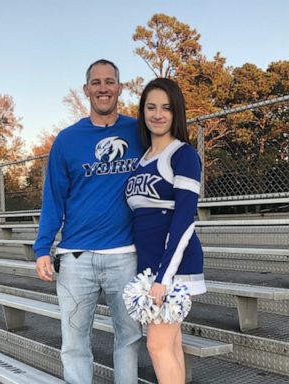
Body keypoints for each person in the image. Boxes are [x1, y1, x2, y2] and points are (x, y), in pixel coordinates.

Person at [34, 59, 144, 384]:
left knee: (129, 338)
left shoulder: (140, 132)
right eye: (96, 83)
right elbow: (53, 198)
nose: (103, 88)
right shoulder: (67, 140)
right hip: (75, 259)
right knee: (74, 346)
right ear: (86, 90)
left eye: (109, 81)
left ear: (120, 88)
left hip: (125, 256)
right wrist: (42, 247)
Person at [125, 78, 207, 384]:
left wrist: (164, 277)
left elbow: (185, 219)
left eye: (166, 108)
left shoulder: (182, 155)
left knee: (157, 345)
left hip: (173, 266)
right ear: (143, 111)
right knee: (170, 344)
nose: (158, 114)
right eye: (151, 107)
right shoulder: (141, 159)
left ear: (177, 113)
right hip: (149, 265)